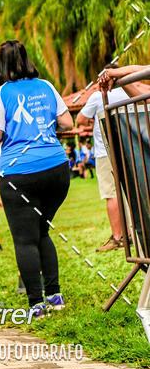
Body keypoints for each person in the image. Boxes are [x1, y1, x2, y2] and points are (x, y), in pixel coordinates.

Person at [0, 40, 73, 317]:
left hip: (19, 173)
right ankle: (55, 295)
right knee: (42, 231)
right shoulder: (46, 86)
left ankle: (36, 304)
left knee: (25, 240)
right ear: (26, 59)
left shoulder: (1, 93)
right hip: (56, 169)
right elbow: (67, 123)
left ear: (1, 65)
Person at [76, 84, 129, 252]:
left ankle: (117, 237)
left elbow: (80, 120)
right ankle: (131, 233)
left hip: (106, 150)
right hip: (127, 148)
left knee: (111, 193)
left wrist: (93, 119)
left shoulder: (99, 95)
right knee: (128, 191)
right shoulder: (128, 92)